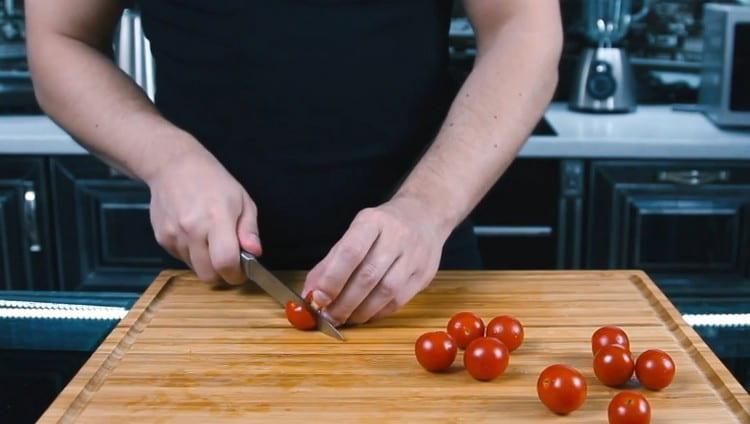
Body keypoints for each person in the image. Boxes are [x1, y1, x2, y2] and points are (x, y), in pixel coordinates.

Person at [25, 0, 562, 326]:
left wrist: (427, 208)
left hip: (421, 262)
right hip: (210, 273)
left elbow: (525, 30)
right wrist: (168, 159)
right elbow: (60, 38)